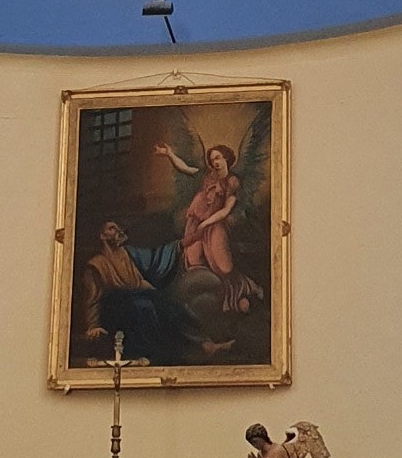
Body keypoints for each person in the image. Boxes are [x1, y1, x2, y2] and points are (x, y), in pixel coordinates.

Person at [80, 220, 231, 365]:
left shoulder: (128, 253)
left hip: (139, 296)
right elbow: (93, 298)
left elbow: (154, 257)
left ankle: (204, 344)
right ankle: (165, 354)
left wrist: (184, 243)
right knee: (146, 307)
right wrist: (93, 325)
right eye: (111, 228)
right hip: (117, 307)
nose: (118, 230)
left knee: (168, 303)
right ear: (102, 236)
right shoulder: (95, 265)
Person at [156, 139, 264, 313]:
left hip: (214, 225)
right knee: (193, 262)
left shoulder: (232, 181)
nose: (215, 162)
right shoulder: (207, 175)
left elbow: (226, 210)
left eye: (218, 158)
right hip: (195, 223)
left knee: (223, 267)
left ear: (226, 158)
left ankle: (246, 288)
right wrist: (170, 154)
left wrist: (206, 223)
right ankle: (206, 300)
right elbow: (186, 168)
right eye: (212, 159)